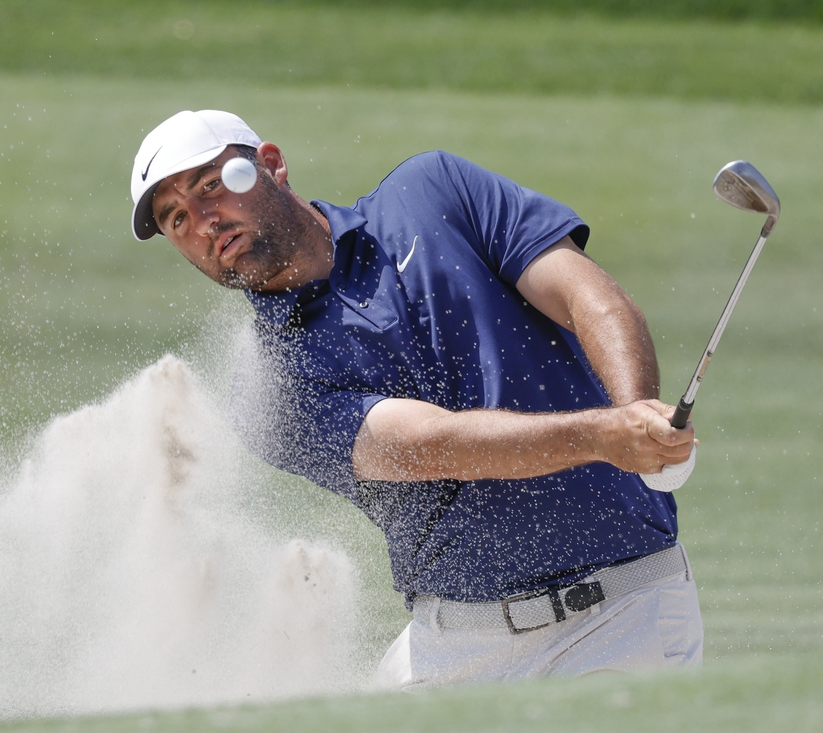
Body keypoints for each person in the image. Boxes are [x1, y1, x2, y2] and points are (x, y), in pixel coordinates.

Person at [129, 109, 703, 689]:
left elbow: (587, 296)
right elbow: (434, 445)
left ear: (271, 165)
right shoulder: (268, 389)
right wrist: (605, 436)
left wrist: (638, 417)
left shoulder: (432, 192)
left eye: (211, 184)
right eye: (177, 218)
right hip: (456, 644)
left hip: (622, 614)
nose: (204, 221)